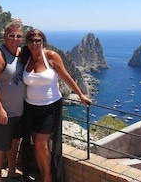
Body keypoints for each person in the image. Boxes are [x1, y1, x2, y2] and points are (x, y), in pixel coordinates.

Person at [20, 29, 92, 182]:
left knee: (40, 143)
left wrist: (80, 95)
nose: (34, 43)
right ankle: (42, 173)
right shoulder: (25, 58)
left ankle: (48, 177)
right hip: (30, 108)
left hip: (50, 107)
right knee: (37, 145)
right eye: (31, 40)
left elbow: (65, 75)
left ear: (43, 42)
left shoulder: (51, 56)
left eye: (38, 40)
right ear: (27, 43)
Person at [0, 20, 26, 182]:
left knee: (14, 142)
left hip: (19, 110)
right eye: (11, 35)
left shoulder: (21, 53)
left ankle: (11, 171)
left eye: (18, 36)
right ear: (4, 35)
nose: (15, 39)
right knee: (1, 146)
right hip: (3, 112)